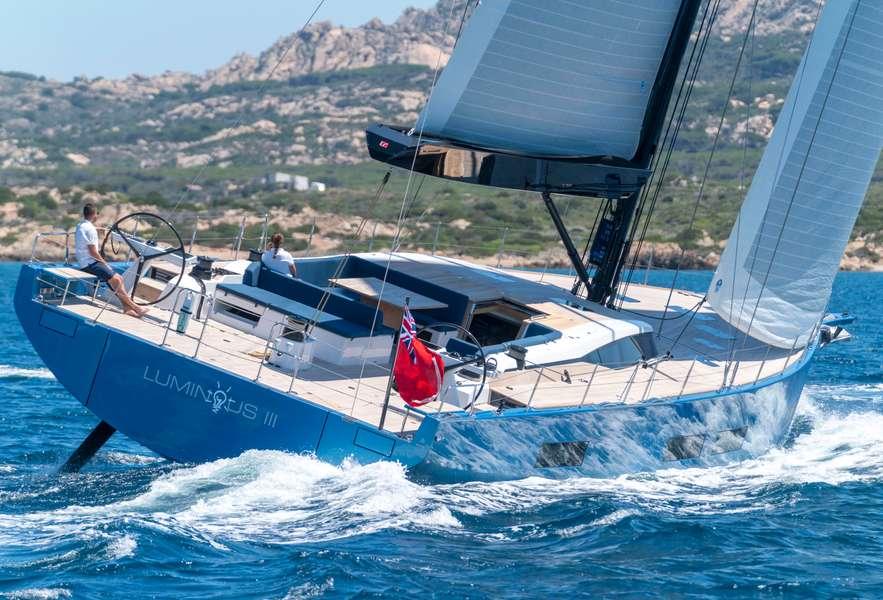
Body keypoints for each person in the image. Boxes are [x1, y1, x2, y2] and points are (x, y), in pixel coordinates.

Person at [75, 203, 147, 318]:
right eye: (97, 213)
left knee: (119, 278)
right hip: (90, 264)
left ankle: (127, 308)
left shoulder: (80, 225)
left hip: (84, 262)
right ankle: (136, 307)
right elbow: (93, 252)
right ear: (94, 215)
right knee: (116, 280)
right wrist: (105, 264)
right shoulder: (90, 229)